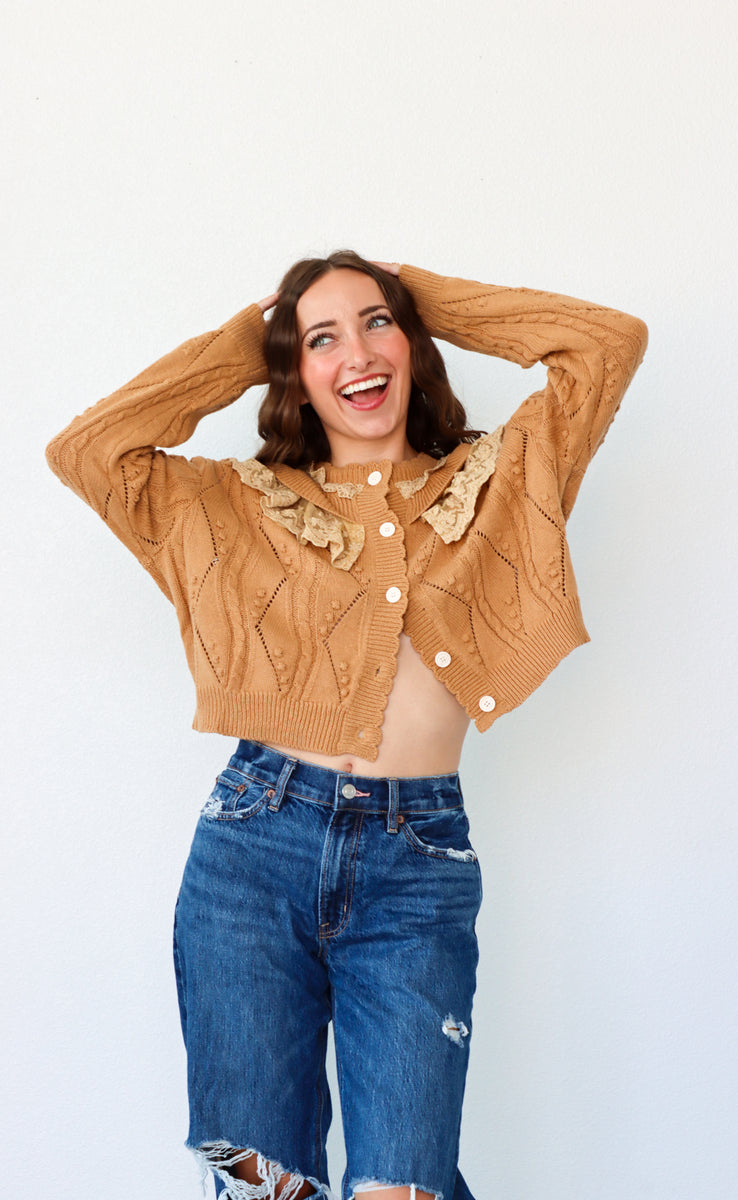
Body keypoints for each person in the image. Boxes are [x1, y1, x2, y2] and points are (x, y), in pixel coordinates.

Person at [46, 252, 647, 1200]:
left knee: (401, 1186)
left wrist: (415, 293)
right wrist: (258, 336)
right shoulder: (235, 506)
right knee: (260, 1185)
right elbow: (89, 452)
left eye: (377, 325)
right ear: (292, 369)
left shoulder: (502, 483)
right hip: (251, 854)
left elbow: (607, 344)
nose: (357, 354)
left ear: (412, 342)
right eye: (321, 340)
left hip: (419, 866)